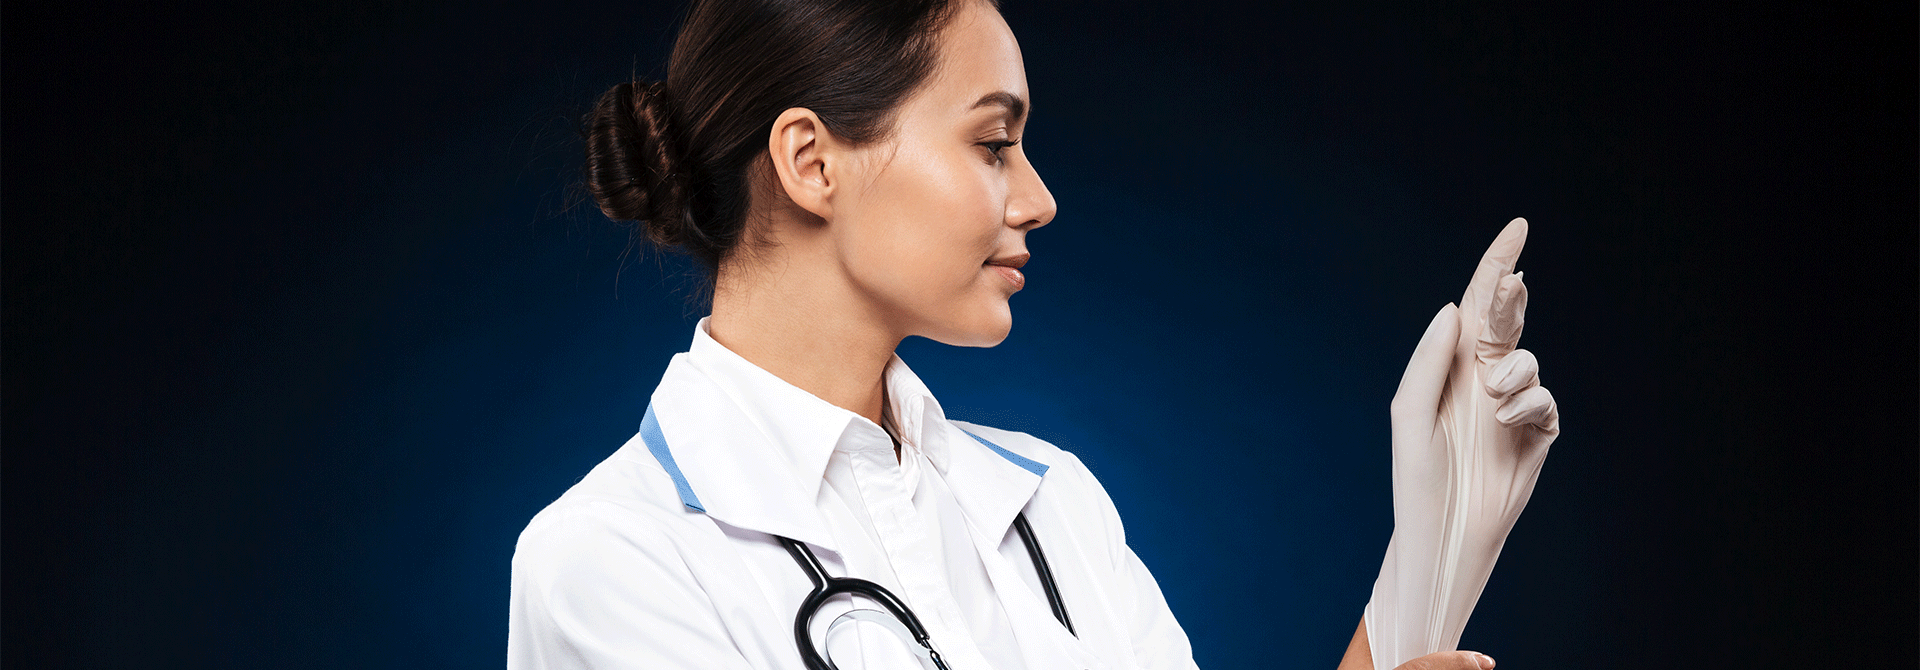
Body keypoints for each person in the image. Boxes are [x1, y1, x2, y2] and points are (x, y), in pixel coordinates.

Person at [507, 0, 1561, 668]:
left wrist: (1432, 557)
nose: (1040, 198)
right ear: (812, 163)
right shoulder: (611, 563)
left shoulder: (1050, 502)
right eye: (993, 143)